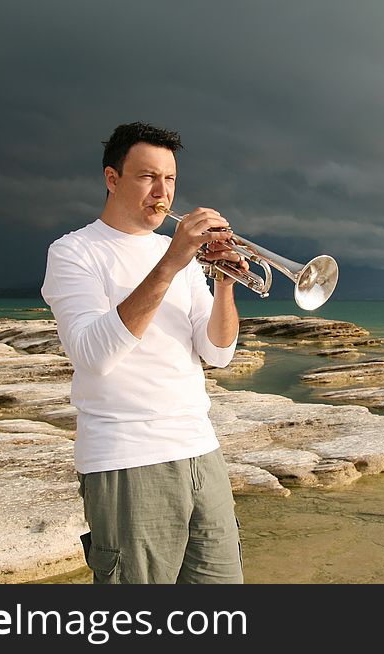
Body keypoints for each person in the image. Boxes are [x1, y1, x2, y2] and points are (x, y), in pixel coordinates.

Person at [41, 122, 246, 584]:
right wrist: (172, 262)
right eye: (147, 177)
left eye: (170, 179)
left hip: (201, 451)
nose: (163, 192)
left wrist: (225, 285)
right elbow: (94, 354)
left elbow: (217, 354)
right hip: (125, 458)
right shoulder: (74, 252)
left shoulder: (186, 257)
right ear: (112, 178)